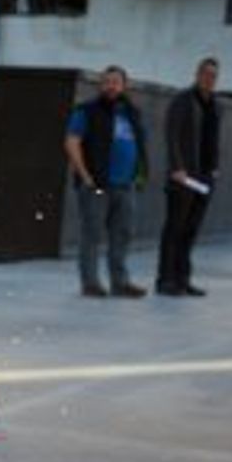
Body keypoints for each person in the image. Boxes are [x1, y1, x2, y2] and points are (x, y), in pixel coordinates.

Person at [64, 65, 148, 297]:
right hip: (97, 185)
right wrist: (85, 176)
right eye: (107, 81)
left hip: (126, 185)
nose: (111, 86)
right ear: (101, 85)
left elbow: (140, 147)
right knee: (92, 234)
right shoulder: (88, 111)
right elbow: (72, 142)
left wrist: (140, 174)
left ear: (124, 85)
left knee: (122, 234)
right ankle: (90, 283)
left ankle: (119, 282)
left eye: (116, 82)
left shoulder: (132, 113)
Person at [156, 57, 221, 297]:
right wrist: (177, 167)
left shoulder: (215, 104)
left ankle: (182, 280)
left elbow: (213, 139)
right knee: (174, 229)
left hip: (205, 177)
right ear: (197, 74)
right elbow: (171, 134)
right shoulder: (183, 101)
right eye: (205, 73)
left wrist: (215, 169)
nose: (209, 79)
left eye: (213, 75)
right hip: (183, 176)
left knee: (191, 230)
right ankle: (165, 281)